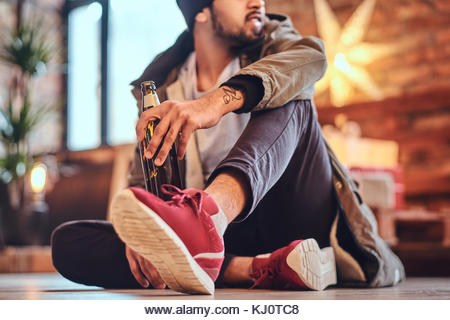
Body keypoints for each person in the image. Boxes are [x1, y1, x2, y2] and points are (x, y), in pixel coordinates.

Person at [51, 0, 405, 295]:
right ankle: (255, 268)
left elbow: (311, 60)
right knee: (69, 242)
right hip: (235, 238)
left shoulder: (277, 45)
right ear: (201, 11)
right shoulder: (160, 89)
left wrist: (214, 103)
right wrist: (141, 236)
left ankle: (205, 219)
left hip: (297, 214)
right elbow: (142, 179)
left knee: (291, 94)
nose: (258, 1)